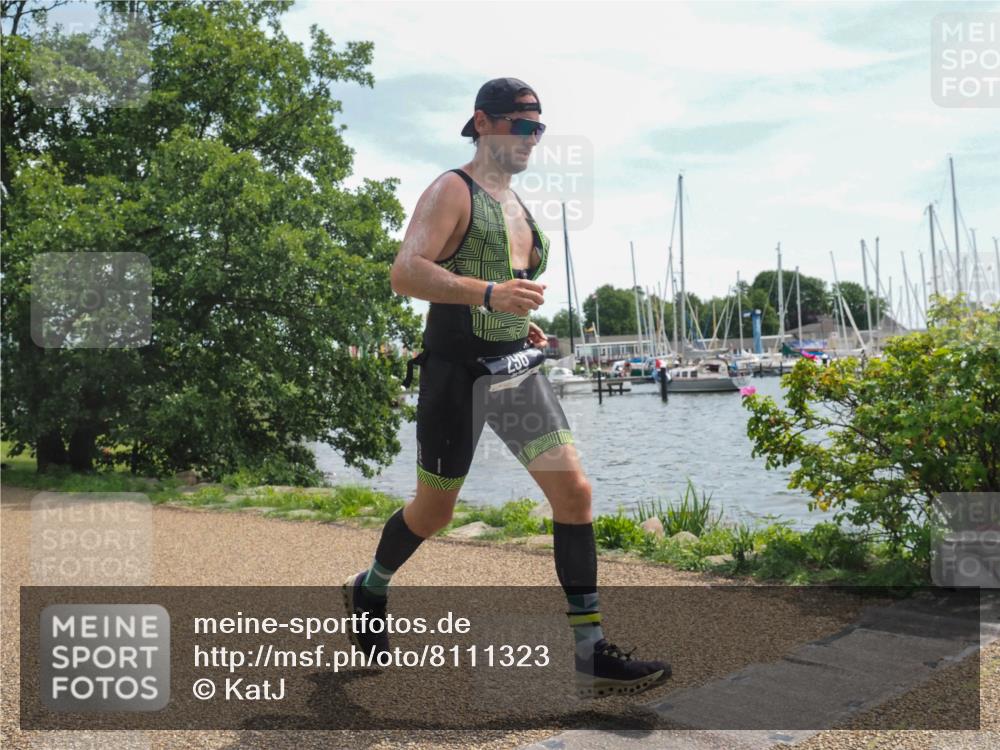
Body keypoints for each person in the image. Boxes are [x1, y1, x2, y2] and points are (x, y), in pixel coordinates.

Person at [342, 77, 671, 698]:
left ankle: (589, 650)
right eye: (522, 125)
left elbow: (504, 280)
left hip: (515, 371)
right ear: (484, 123)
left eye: (539, 128)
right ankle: (371, 584)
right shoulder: (451, 189)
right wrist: (490, 295)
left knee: (574, 492)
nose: (532, 138)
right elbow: (406, 272)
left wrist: (518, 316)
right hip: (456, 377)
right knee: (434, 511)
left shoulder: (519, 208)